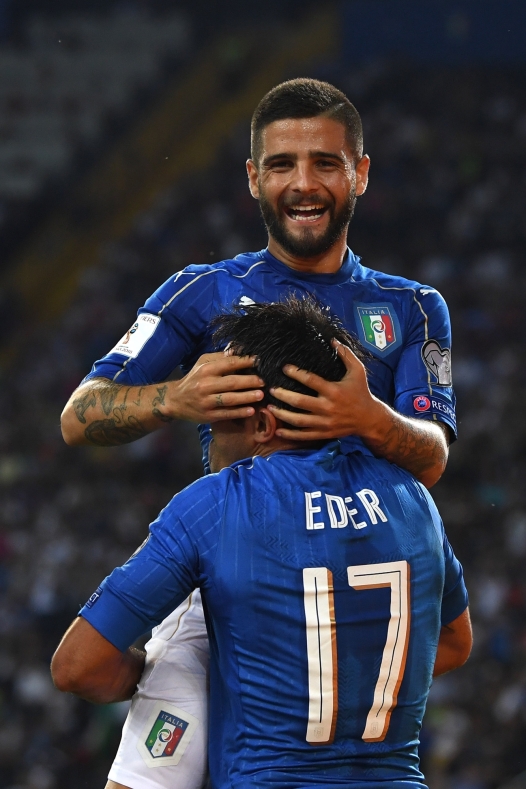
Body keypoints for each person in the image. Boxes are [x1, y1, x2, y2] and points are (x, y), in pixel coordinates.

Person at [59, 78, 458, 789]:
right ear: (253, 178)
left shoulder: (411, 308)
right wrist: (171, 397)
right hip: (233, 578)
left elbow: (432, 457)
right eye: (281, 164)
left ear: (360, 172)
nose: (303, 184)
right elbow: (80, 413)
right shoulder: (200, 291)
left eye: (325, 162)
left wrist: (369, 418)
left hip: (359, 584)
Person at [52, 297, 471, 789]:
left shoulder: (217, 505)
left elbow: (78, 667)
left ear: (262, 425)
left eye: (216, 418)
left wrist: (193, 683)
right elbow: (455, 643)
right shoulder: (413, 500)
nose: (208, 436)